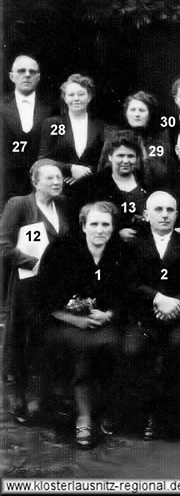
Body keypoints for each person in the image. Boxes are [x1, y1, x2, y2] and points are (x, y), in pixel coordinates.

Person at [36, 201, 130, 448]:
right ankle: (84, 418)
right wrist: (75, 318)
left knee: (117, 346)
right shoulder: (62, 250)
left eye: (106, 225)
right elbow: (43, 296)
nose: (100, 230)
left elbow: (127, 293)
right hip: (65, 322)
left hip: (105, 322)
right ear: (84, 226)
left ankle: (106, 411)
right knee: (83, 349)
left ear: (112, 228)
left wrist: (109, 314)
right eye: (95, 224)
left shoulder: (121, 252)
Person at [122, 192, 180, 438]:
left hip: (179, 316)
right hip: (144, 316)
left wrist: (177, 304)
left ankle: (171, 420)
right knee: (133, 351)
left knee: (179, 347)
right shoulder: (134, 245)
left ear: (177, 214)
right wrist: (157, 298)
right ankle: (141, 416)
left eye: (169, 210)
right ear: (146, 215)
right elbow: (128, 282)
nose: (164, 214)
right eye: (158, 209)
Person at [0, 159, 70, 423]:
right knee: (21, 338)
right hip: (27, 286)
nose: (56, 182)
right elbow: (4, 246)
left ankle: (45, 396)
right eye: (50, 178)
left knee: (47, 339)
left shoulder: (62, 204)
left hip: (54, 287)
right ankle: (17, 396)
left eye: (59, 177)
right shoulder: (19, 205)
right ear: (35, 181)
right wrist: (33, 262)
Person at [38, 73, 106, 201]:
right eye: (71, 95)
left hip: (91, 191)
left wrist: (84, 173)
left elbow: (104, 161)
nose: (76, 98)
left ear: (89, 97)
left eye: (81, 94)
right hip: (61, 191)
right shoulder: (52, 123)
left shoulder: (100, 126)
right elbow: (43, 159)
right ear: (65, 98)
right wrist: (71, 169)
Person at [2, 55, 51, 200]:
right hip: (5, 185)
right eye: (21, 71)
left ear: (39, 77)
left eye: (32, 71)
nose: (27, 75)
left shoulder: (51, 108)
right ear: (12, 76)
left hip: (41, 187)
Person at [100, 91, 170, 190]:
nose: (137, 114)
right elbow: (103, 170)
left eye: (141, 110)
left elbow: (164, 171)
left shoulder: (160, 139)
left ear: (149, 113)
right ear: (126, 113)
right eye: (133, 110)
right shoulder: (113, 138)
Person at [89, 131, 149, 239]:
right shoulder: (95, 186)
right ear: (110, 157)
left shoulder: (148, 183)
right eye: (120, 155)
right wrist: (116, 235)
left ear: (137, 158)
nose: (125, 161)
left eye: (130, 156)